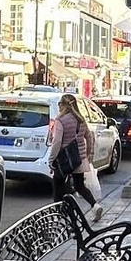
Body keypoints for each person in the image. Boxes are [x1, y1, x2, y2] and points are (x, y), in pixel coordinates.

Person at [47, 92, 103, 223]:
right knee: (79, 185)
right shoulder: (81, 120)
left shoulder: (60, 120)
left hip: (64, 159)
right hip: (79, 158)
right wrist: (87, 154)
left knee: (58, 184)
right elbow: (89, 137)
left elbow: (57, 142)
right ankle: (95, 205)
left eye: (60, 104)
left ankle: (60, 213)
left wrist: (51, 159)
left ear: (64, 105)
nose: (59, 106)